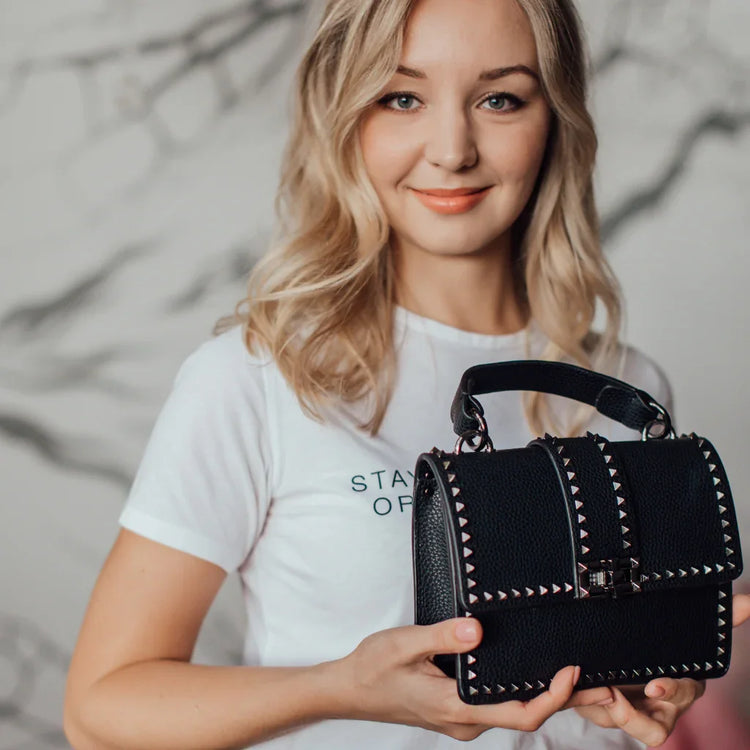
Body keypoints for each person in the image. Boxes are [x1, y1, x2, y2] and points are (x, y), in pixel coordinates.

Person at [63, 0, 750, 748]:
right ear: (345, 114)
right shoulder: (259, 378)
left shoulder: (622, 390)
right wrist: (340, 688)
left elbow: (613, 676)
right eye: (401, 98)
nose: (452, 150)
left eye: (499, 99)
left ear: (556, 119)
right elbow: (98, 711)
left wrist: (656, 673)